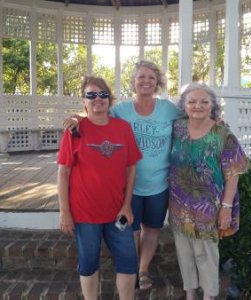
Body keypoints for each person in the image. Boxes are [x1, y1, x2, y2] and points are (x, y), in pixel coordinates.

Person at [63, 60, 183, 290]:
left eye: (150, 77)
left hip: (159, 184)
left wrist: (216, 121)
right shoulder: (122, 110)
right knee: (130, 229)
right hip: (129, 188)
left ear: (157, 81)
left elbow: (192, 118)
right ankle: (130, 266)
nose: (146, 81)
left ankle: (143, 269)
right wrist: (78, 117)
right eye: (141, 77)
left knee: (152, 229)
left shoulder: (168, 108)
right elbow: (97, 111)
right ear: (133, 82)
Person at [57, 76, 142, 300]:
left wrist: (127, 205)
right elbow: (63, 172)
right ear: (83, 100)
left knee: (128, 261)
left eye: (103, 94)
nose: (98, 99)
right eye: (91, 95)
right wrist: (64, 211)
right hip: (84, 213)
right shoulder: (74, 131)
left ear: (109, 99)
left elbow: (131, 167)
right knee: (88, 262)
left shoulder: (123, 128)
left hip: (118, 212)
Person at [168, 83, 251, 300]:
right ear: (184, 106)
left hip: (209, 207)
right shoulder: (177, 127)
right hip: (179, 204)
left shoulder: (223, 133)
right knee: (184, 252)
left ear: (212, 106)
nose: (198, 106)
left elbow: (233, 173)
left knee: (206, 254)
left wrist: (226, 207)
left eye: (204, 101)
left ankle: (210, 295)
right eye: (192, 101)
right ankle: (190, 293)